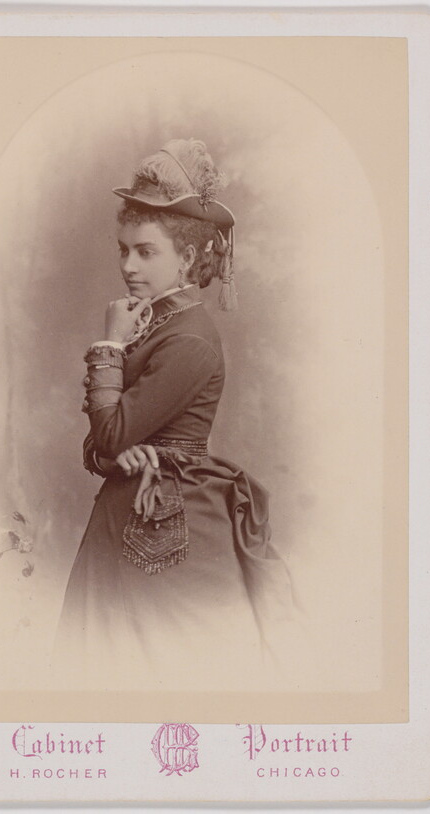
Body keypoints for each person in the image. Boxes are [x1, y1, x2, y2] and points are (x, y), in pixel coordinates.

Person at [54, 138, 292, 690]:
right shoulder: (156, 324)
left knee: (164, 677)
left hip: (165, 528)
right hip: (128, 513)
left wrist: (110, 349)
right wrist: (115, 452)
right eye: (124, 249)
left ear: (187, 257)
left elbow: (108, 433)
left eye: (146, 252)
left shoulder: (190, 340)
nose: (128, 266)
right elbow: (104, 446)